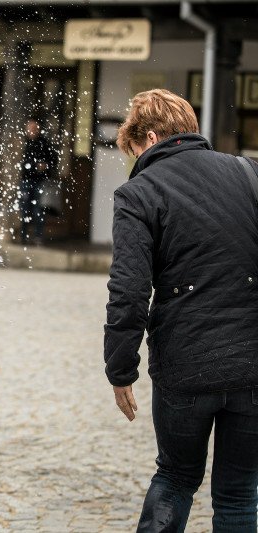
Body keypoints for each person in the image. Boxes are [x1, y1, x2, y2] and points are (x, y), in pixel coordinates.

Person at [104, 88, 258, 531]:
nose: (134, 161)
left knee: (175, 476)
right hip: (253, 365)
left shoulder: (139, 192)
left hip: (186, 367)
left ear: (149, 137)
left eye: (133, 150)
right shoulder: (249, 174)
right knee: (238, 492)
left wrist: (120, 370)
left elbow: (128, 291)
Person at [19, 118, 57, 245]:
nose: (32, 131)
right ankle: (23, 237)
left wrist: (46, 166)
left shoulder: (44, 143)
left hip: (39, 181)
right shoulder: (23, 143)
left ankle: (38, 236)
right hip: (25, 180)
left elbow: (53, 159)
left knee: (38, 210)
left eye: (34, 128)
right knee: (24, 209)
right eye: (30, 128)